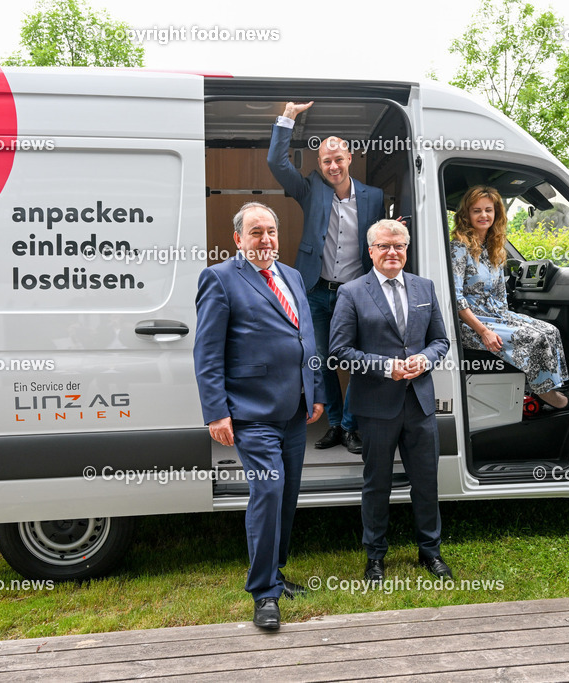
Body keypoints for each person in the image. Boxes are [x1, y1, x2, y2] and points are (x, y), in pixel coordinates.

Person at [193, 202, 325, 630]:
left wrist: (317, 389)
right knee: (268, 493)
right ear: (238, 239)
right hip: (251, 413)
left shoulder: (293, 276)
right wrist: (216, 412)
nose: (265, 240)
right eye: (255, 233)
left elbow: (306, 335)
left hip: (294, 410)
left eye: (270, 231)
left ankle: (277, 572)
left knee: (286, 496)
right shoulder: (219, 279)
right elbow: (207, 353)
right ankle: (264, 593)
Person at [330, 219, 452, 584]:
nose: (392, 252)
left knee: (426, 483)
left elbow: (441, 341)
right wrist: (386, 367)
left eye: (398, 246)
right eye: (384, 246)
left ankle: (430, 552)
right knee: (377, 484)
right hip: (376, 407)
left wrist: (426, 359)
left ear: (406, 249)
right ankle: (375, 558)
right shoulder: (351, 293)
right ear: (370, 251)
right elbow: (338, 352)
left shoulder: (424, 287)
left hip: (420, 404)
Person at [268, 101, 385, 455]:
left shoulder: (374, 197)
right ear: (319, 166)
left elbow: (378, 242)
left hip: (354, 293)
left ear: (349, 158)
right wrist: (287, 117)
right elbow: (277, 162)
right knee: (321, 360)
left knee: (356, 361)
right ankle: (335, 423)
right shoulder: (310, 190)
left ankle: (350, 426)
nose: (332, 166)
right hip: (316, 290)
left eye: (338, 159)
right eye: (325, 161)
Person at [450, 186, 569, 411]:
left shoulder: (494, 248)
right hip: (469, 323)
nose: (483, 216)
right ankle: (550, 397)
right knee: (533, 339)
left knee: (550, 331)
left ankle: (546, 387)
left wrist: (512, 318)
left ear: (496, 213)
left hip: (495, 315)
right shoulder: (459, 248)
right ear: (466, 215)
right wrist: (484, 331)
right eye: (476, 210)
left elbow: (500, 296)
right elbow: (455, 297)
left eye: (488, 210)